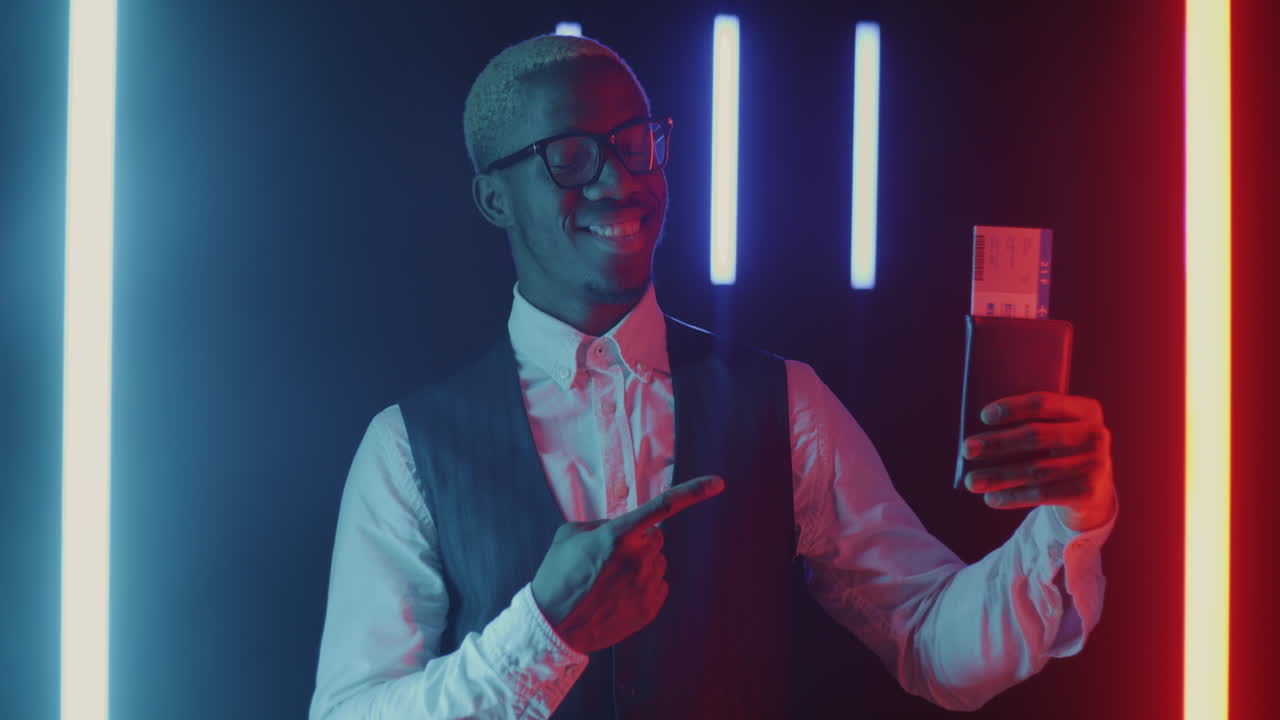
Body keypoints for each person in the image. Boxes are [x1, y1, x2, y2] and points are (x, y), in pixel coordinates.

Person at [308, 34, 1119, 720]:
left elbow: (936, 643)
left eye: (635, 143)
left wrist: (1073, 520)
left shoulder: (785, 402)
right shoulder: (407, 448)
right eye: (569, 156)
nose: (619, 180)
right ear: (493, 198)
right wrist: (544, 634)